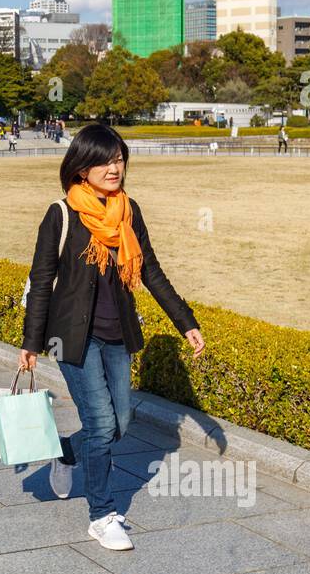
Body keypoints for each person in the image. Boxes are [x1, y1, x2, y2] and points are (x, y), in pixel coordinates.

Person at [20, 123, 205, 551]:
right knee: (102, 425)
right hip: (72, 338)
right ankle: (102, 514)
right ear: (82, 167)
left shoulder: (128, 211)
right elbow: (42, 278)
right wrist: (31, 343)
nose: (114, 167)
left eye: (120, 159)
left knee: (119, 424)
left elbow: (151, 271)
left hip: (117, 333)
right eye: (105, 160)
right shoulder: (61, 214)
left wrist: (185, 321)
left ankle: (67, 451)